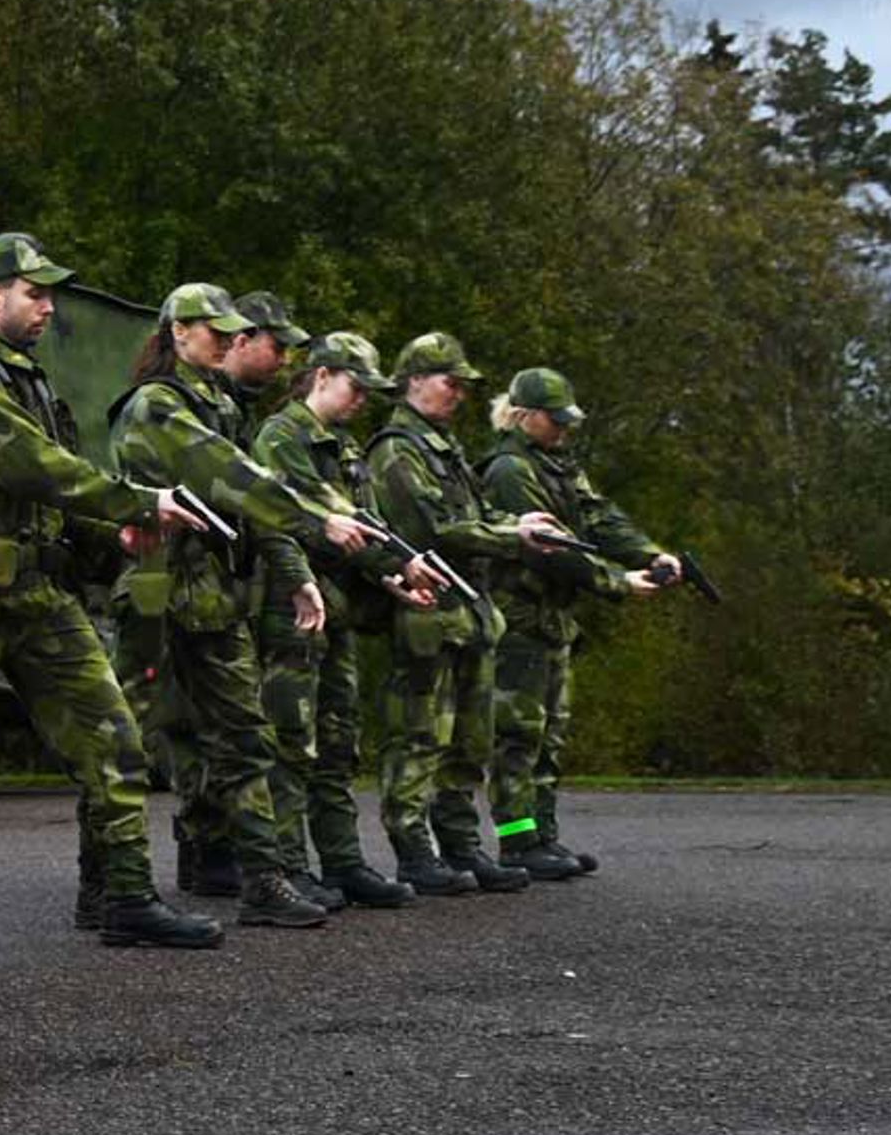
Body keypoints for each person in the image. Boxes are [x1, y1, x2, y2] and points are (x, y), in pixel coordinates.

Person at [0, 235, 220, 952]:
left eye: (50, 293)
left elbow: (57, 490)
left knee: (115, 738)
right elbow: (29, 466)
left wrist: (108, 539)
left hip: (39, 590)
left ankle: (124, 894)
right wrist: (133, 502)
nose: (48, 305)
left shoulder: (29, 378)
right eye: (36, 292)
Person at [100, 284, 408, 931]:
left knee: (245, 736)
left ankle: (262, 878)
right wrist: (317, 518)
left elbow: (247, 500)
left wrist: (295, 572)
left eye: (232, 331)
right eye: (215, 331)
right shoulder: (158, 405)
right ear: (178, 332)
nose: (228, 341)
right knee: (124, 741)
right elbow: (232, 475)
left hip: (212, 597)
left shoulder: (218, 405)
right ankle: (106, 886)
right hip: (157, 593)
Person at [363, 334, 573, 895]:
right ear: (414, 381)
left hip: (471, 616)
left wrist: (514, 521)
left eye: (462, 385)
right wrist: (515, 535)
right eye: (448, 382)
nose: (457, 393)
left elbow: (475, 514)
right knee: (419, 736)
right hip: (429, 616)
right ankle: (413, 852)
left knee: (469, 741)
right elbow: (438, 529)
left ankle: (460, 845)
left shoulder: (443, 447)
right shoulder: (397, 449)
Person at [476, 365, 679, 880]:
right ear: (524, 416)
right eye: (554, 420)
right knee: (518, 735)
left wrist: (651, 553)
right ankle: (517, 842)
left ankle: (544, 835)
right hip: (519, 619)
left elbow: (598, 516)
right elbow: (555, 552)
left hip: (552, 619)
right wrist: (619, 581)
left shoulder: (556, 464)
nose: (564, 430)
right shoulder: (510, 470)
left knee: (550, 733)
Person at [252, 328, 413, 909]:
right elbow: (280, 515)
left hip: (337, 608)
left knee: (339, 740)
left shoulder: (343, 448)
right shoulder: (282, 436)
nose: (362, 400)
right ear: (321, 376)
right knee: (291, 739)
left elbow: (365, 529)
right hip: (291, 607)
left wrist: (392, 573)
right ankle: (288, 865)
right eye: (355, 386)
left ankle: (342, 859)